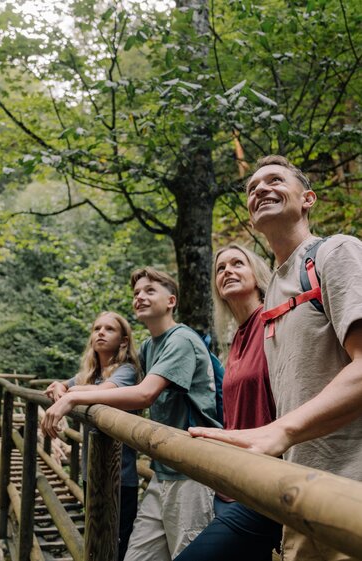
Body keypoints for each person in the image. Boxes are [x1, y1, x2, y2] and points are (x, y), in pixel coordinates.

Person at [189, 155, 362, 561]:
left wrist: (280, 431)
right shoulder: (272, 300)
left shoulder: (336, 252)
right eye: (252, 188)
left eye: (275, 180)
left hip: (350, 489)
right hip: (298, 494)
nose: (261, 189)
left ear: (307, 199)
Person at [41, 267, 220, 561]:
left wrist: (71, 397)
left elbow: (144, 394)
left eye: (150, 291)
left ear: (171, 301)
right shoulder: (149, 347)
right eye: (136, 293)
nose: (140, 297)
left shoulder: (181, 340)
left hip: (193, 470)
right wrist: (65, 386)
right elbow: (102, 381)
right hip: (164, 469)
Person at [174, 244, 281, 561]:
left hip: (267, 484)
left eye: (238, 263)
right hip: (233, 483)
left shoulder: (274, 322)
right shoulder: (235, 341)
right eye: (220, 268)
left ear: (257, 275)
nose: (227, 271)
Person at [44, 311, 142, 561]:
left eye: (109, 329)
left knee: (116, 545)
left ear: (123, 340)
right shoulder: (90, 374)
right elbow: (65, 385)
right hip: (92, 472)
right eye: (97, 328)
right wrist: (59, 386)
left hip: (120, 477)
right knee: (95, 538)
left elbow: (103, 390)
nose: (100, 333)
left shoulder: (127, 371)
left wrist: (69, 392)